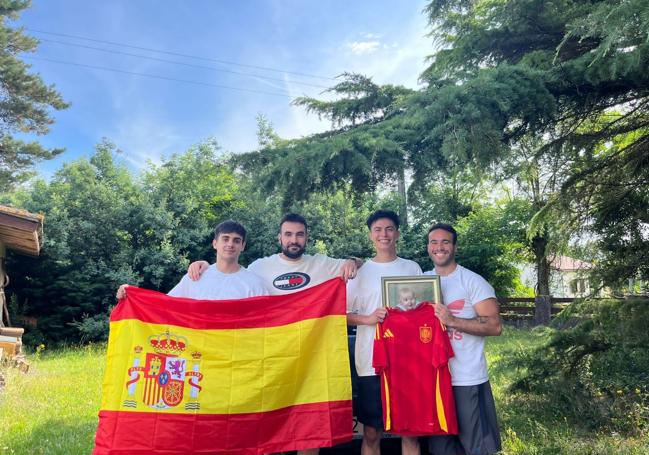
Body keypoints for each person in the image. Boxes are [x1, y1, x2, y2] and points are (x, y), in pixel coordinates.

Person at [186, 213, 359, 455]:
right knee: (267, 428)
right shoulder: (258, 269)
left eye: (299, 234)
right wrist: (201, 264)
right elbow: (225, 275)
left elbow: (363, 264)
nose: (294, 239)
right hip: (269, 359)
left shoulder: (322, 264)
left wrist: (352, 260)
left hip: (309, 359)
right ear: (279, 237)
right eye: (288, 234)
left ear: (307, 237)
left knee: (308, 427)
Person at [346, 210, 422, 455]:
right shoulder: (359, 272)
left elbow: (425, 312)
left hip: (408, 361)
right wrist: (367, 319)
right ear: (371, 236)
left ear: (397, 233)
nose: (384, 234)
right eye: (378, 230)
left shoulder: (412, 268)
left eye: (389, 229)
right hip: (371, 362)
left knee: (410, 431)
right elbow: (340, 315)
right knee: (371, 431)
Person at [425, 223, 502, 455]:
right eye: (434, 242)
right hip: (433, 380)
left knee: (475, 447)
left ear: (454, 247)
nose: (439, 247)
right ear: (428, 247)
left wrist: (453, 321)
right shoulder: (421, 281)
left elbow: (495, 325)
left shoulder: (472, 281)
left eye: (445, 242)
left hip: (466, 378)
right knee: (441, 448)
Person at [116, 220, 269, 300]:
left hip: (237, 357)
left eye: (236, 240)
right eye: (225, 239)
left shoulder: (255, 284)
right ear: (215, 243)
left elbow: (267, 323)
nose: (230, 244)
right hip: (199, 356)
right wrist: (131, 295)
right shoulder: (195, 276)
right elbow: (165, 306)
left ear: (243, 246)